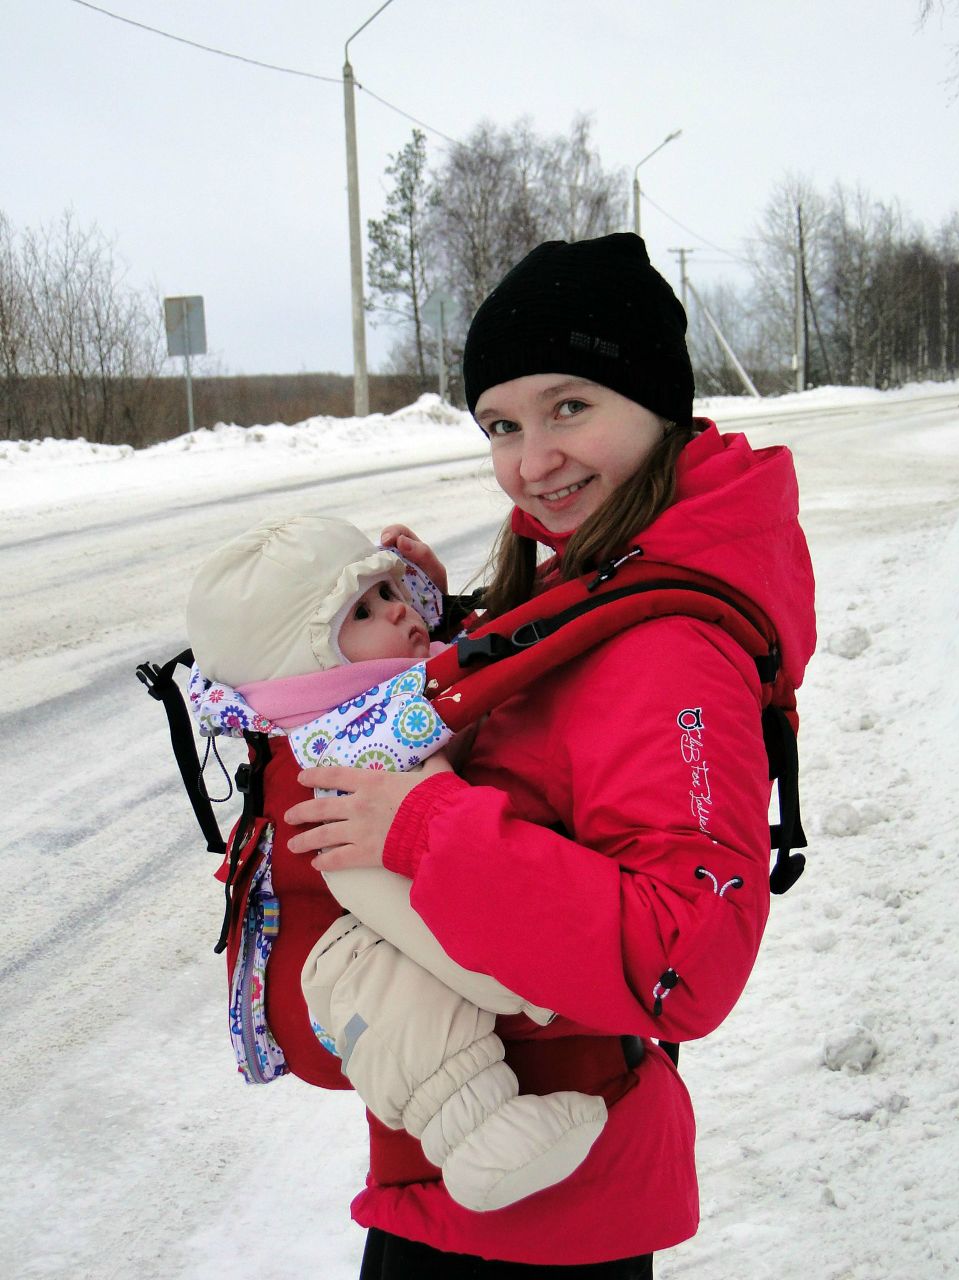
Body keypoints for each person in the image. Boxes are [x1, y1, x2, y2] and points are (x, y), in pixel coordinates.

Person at [284, 232, 817, 1278]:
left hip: (541, 1208)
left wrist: (424, 825)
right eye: (502, 424)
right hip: (497, 1181)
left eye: (571, 406)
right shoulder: (608, 570)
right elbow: (567, 717)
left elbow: (689, 956)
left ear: (657, 401)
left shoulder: (672, 644)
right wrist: (453, 622)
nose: (532, 460)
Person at [186, 515, 607, 1212]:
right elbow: (380, 889)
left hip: (371, 941)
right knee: (398, 992)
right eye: (364, 609)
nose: (400, 611)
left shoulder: (374, 709)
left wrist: (445, 606)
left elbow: (465, 680)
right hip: (336, 990)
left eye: (392, 590)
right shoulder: (332, 766)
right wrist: (516, 973)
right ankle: (486, 1141)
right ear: (310, 659)